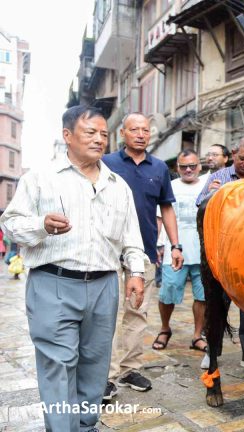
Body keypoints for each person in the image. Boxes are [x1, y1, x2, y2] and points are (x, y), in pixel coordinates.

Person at [0, 105, 146, 431]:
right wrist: (41, 225)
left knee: (95, 364)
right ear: (67, 135)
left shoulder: (117, 185)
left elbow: (131, 238)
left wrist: (136, 273)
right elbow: (10, 224)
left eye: (104, 134)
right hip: (53, 283)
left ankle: (86, 425)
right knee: (58, 364)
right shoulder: (40, 179)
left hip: (104, 285)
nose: (99, 140)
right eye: (90, 132)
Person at [102, 112, 184, 399]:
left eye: (145, 130)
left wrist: (175, 245)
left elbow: (167, 207)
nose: (140, 134)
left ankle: (129, 369)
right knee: (108, 314)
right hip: (110, 252)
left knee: (137, 312)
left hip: (145, 252)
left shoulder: (159, 168)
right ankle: (105, 375)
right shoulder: (106, 163)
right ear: (122, 133)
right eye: (134, 129)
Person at [196, 137, 244, 368]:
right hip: (223, 253)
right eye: (242, 159)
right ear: (234, 155)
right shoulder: (218, 177)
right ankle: (212, 352)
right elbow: (200, 205)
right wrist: (211, 194)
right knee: (218, 303)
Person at [153, 150, 208, 352]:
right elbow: (160, 217)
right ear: (178, 168)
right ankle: (165, 329)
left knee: (202, 296)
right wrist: (158, 244)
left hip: (203, 252)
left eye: (192, 166)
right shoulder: (171, 187)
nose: (189, 170)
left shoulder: (208, 186)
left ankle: (197, 335)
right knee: (168, 292)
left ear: (199, 166)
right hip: (174, 252)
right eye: (184, 166)